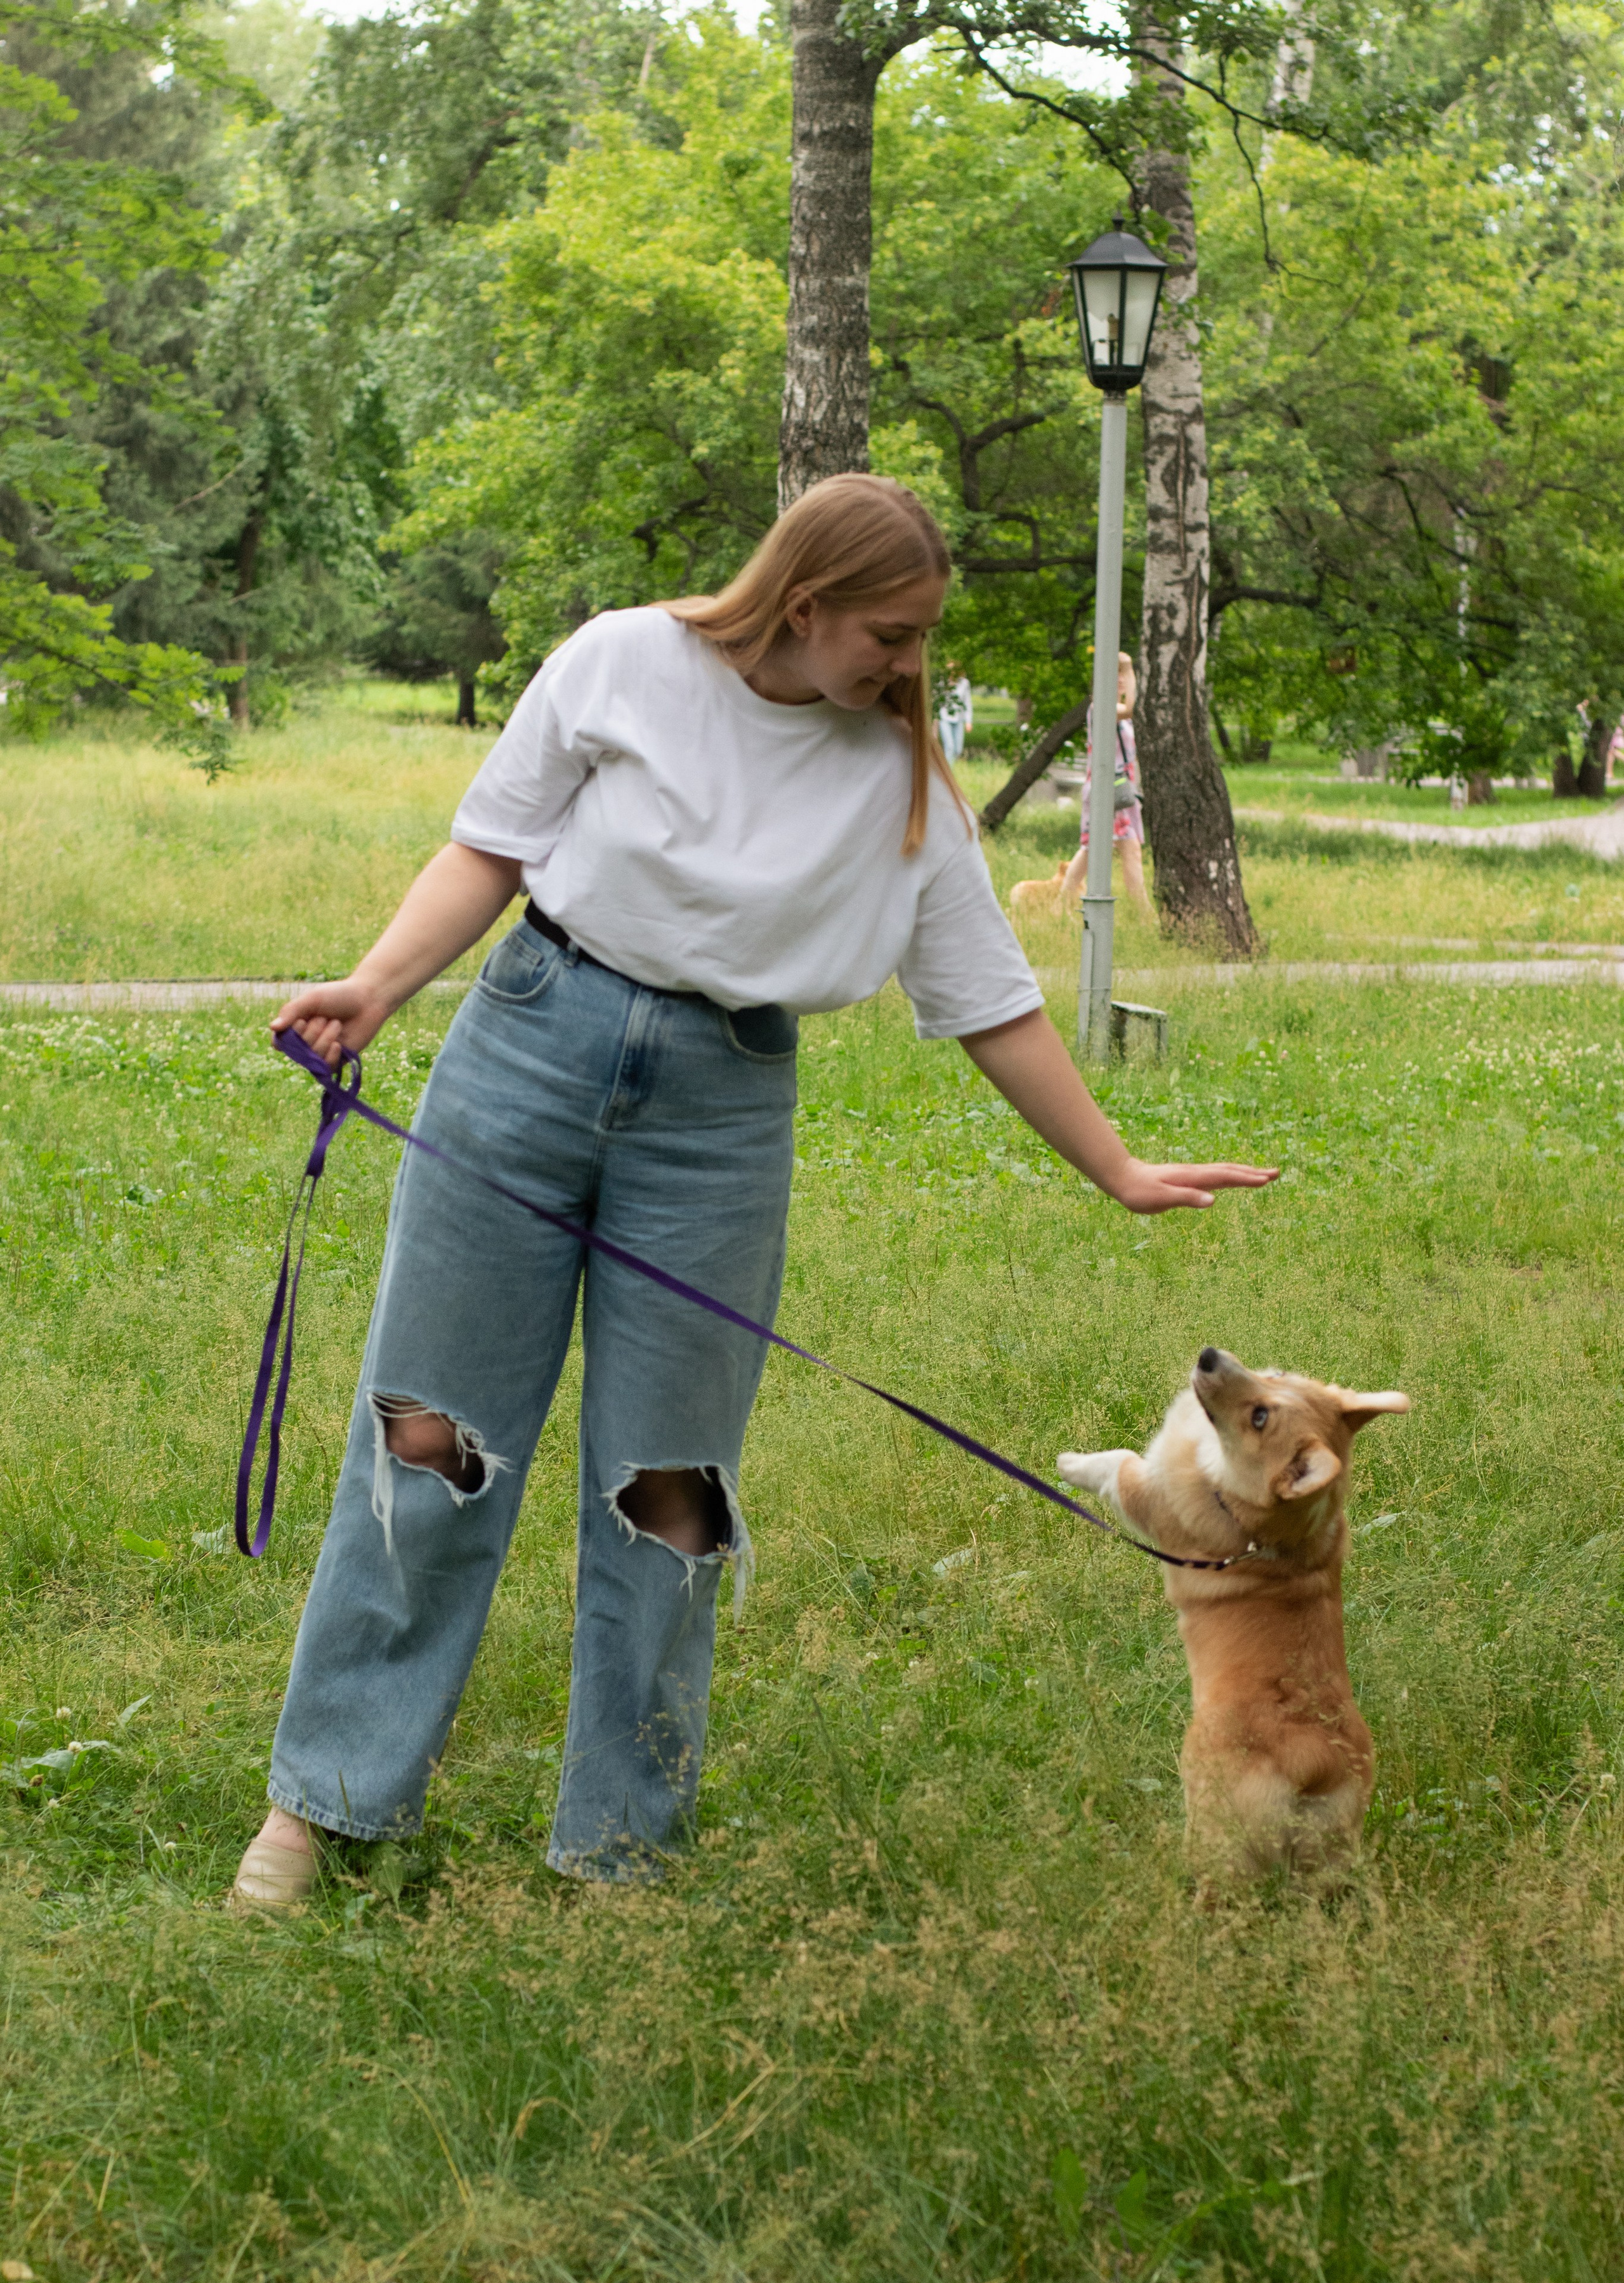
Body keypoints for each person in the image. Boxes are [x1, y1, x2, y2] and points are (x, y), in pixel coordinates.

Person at [232, 475, 1276, 1909]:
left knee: (670, 1494)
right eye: (888, 632)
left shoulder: (897, 779)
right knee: (434, 1437)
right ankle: (326, 1804)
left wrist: (1112, 1165)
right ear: (803, 603)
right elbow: (490, 846)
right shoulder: (618, 661)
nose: (908, 665)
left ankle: (620, 1852)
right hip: (527, 1045)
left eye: (918, 637)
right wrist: (372, 987)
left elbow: (984, 996)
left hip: (717, 1114)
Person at [1059, 652, 1151, 912]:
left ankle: (1061, 906)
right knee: (1119, 851)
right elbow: (1133, 708)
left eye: (1123, 673)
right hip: (1108, 789)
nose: (1121, 679)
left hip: (1117, 790)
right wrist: (1132, 668)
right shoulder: (1101, 707)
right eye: (1116, 673)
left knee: (1096, 849)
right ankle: (1144, 916)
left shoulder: (1113, 710)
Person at [938, 668, 973, 763]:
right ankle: (948, 773)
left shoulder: (964, 683)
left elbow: (967, 702)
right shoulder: (941, 683)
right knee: (949, 747)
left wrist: (969, 721)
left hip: (959, 718)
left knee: (958, 750)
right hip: (944, 717)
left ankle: (950, 767)